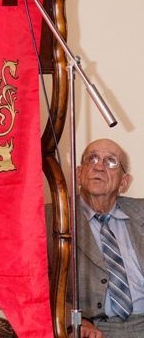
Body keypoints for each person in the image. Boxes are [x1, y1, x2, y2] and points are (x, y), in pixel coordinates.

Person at [64, 138, 144, 338]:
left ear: (124, 182)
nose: (99, 166)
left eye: (110, 162)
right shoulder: (55, 216)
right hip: (94, 327)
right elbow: (36, 285)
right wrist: (73, 320)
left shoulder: (141, 211)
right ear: (79, 174)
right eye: (92, 159)